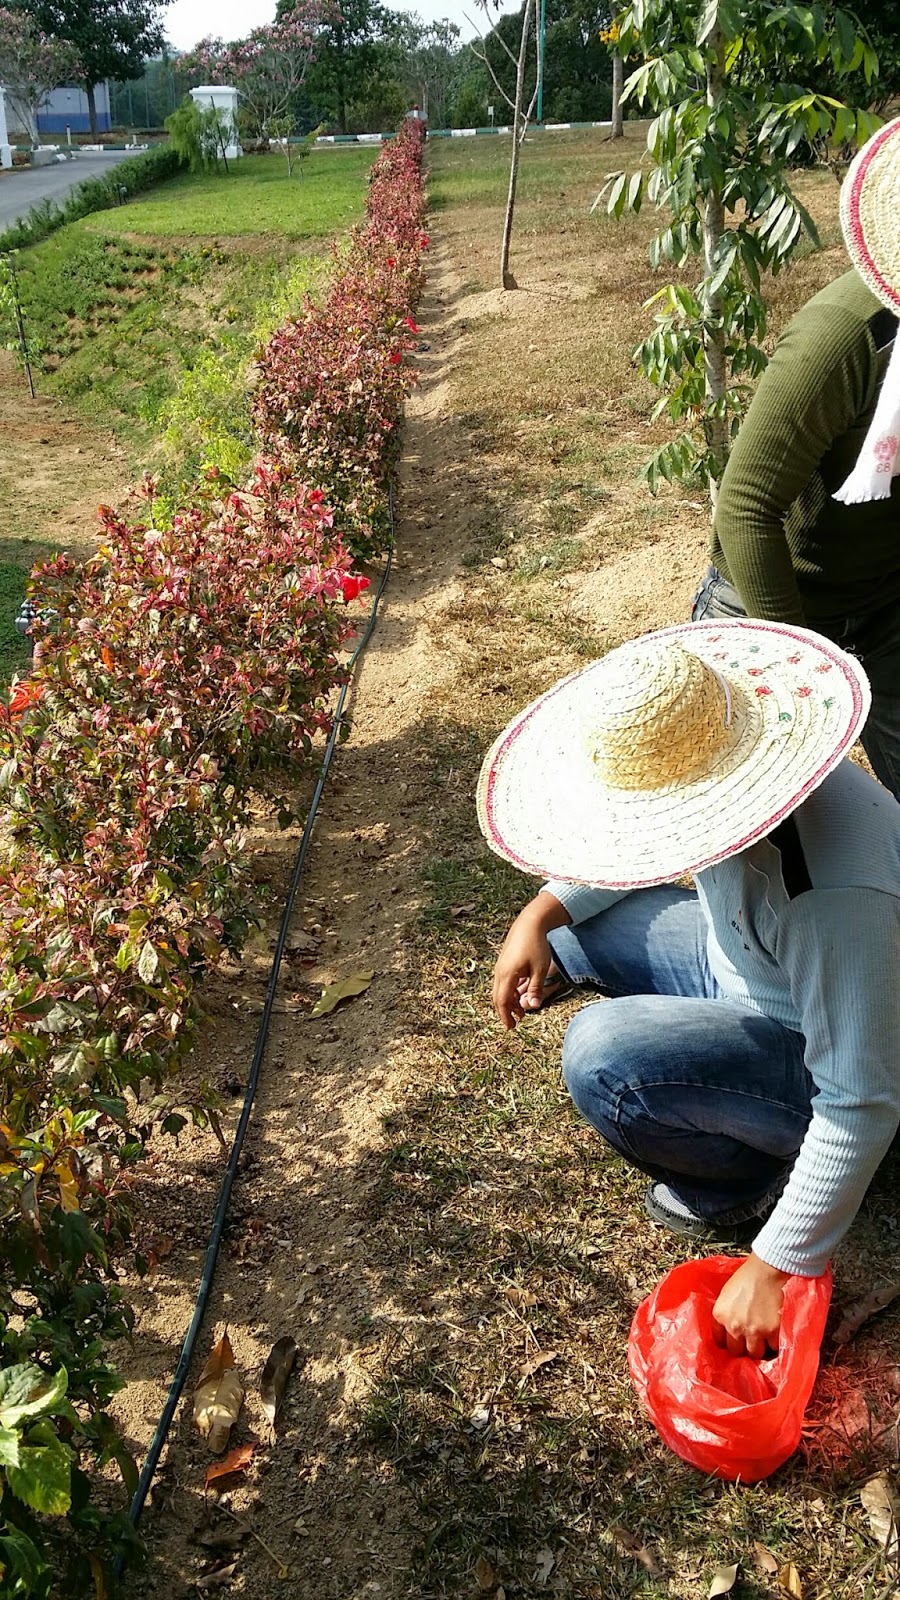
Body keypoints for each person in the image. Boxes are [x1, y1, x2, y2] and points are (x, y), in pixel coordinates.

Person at [478, 619, 900, 1360]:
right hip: (749, 968)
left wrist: (774, 1261)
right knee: (576, 932)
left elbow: (863, 1099)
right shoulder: (759, 774)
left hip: (826, 1050)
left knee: (604, 1055)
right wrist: (538, 914)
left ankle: (735, 1187)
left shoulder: (833, 900)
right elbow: (625, 850)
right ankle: (709, 1087)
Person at [695, 117, 900, 797]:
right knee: (765, 809)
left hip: (883, 598)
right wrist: (803, 672)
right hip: (771, 597)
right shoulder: (844, 339)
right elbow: (746, 507)